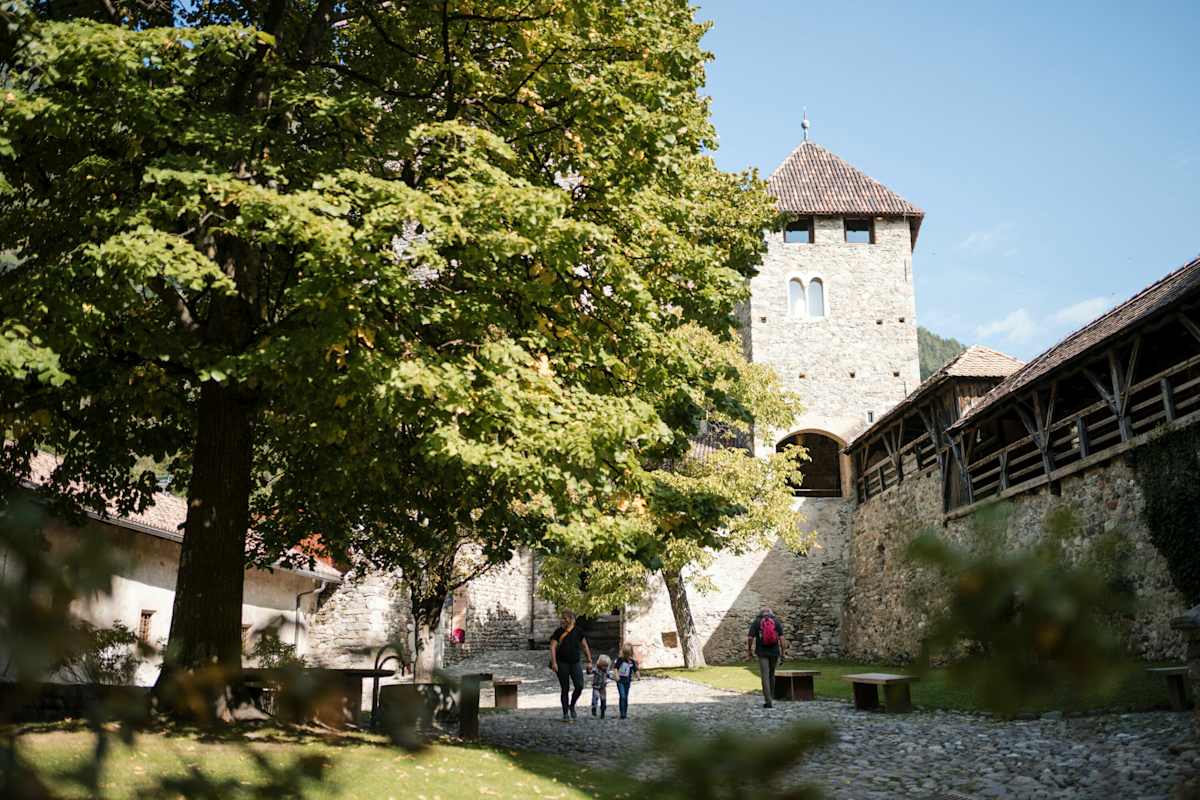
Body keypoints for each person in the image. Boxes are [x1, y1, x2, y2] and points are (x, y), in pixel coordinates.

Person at [549, 610, 592, 722]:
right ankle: (565, 713)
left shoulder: (578, 631)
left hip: (575, 663)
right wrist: (554, 662)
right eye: (562, 618)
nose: (562, 620)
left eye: (565, 618)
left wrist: (589, 661)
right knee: (565, 688)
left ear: (571, 619)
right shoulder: (558, 632)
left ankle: (572, 705)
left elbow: (585, 646)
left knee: (579, 686)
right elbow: (553, 647)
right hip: (561, 663)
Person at [746, 606, 785, 708]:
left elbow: (750, 638)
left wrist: (749, 650)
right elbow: (781, 638)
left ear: (760, 613)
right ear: (771, 613)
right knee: (772, 675)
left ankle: (768, 701)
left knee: (765, 676)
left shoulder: (756, 622)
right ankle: (771, 697)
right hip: (774, 652)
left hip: (762, 652)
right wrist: (783, 653)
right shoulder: (776, 622)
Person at [613, 643, 639, 719]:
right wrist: (617, 676)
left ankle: (625, 712)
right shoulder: (620, 660)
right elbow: (615, 668)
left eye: (629, 654)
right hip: (620, 681)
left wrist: (638, 676)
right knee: (622, 696)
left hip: (627, 681)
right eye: (626, 654)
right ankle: (622, 713)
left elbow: (635, 669)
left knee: (626, 697)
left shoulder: (632, 661)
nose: (627, 656)